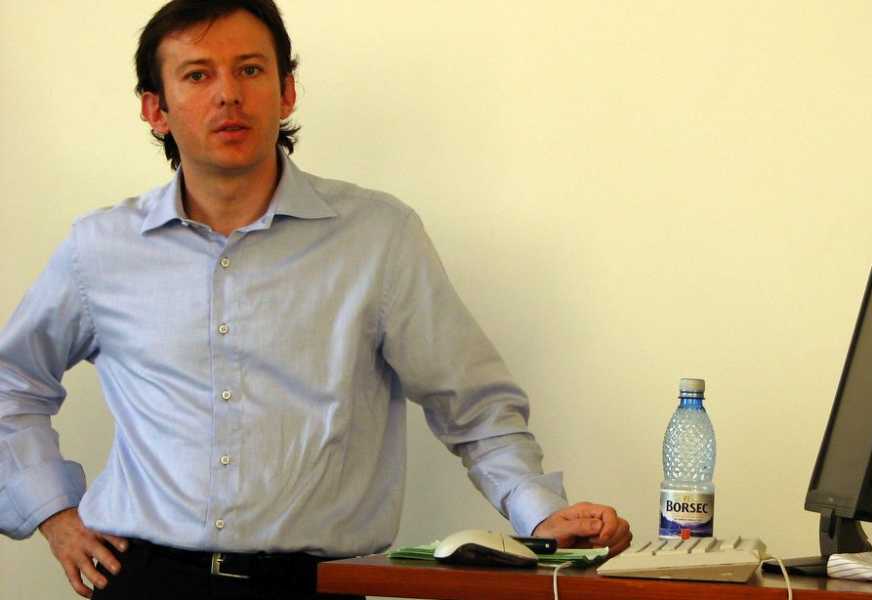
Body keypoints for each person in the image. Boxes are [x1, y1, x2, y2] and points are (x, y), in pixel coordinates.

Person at [0, 1, 631, 598]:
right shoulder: (100, 248)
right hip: (145, 581)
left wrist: (541, 516)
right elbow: (12, 383)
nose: (228, 94)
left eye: (251, 70)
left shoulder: (378, 237)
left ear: (287, 91)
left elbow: (473, 407)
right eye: (197, 75)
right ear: (155, 109)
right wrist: (52, 512)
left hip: (316, 586)